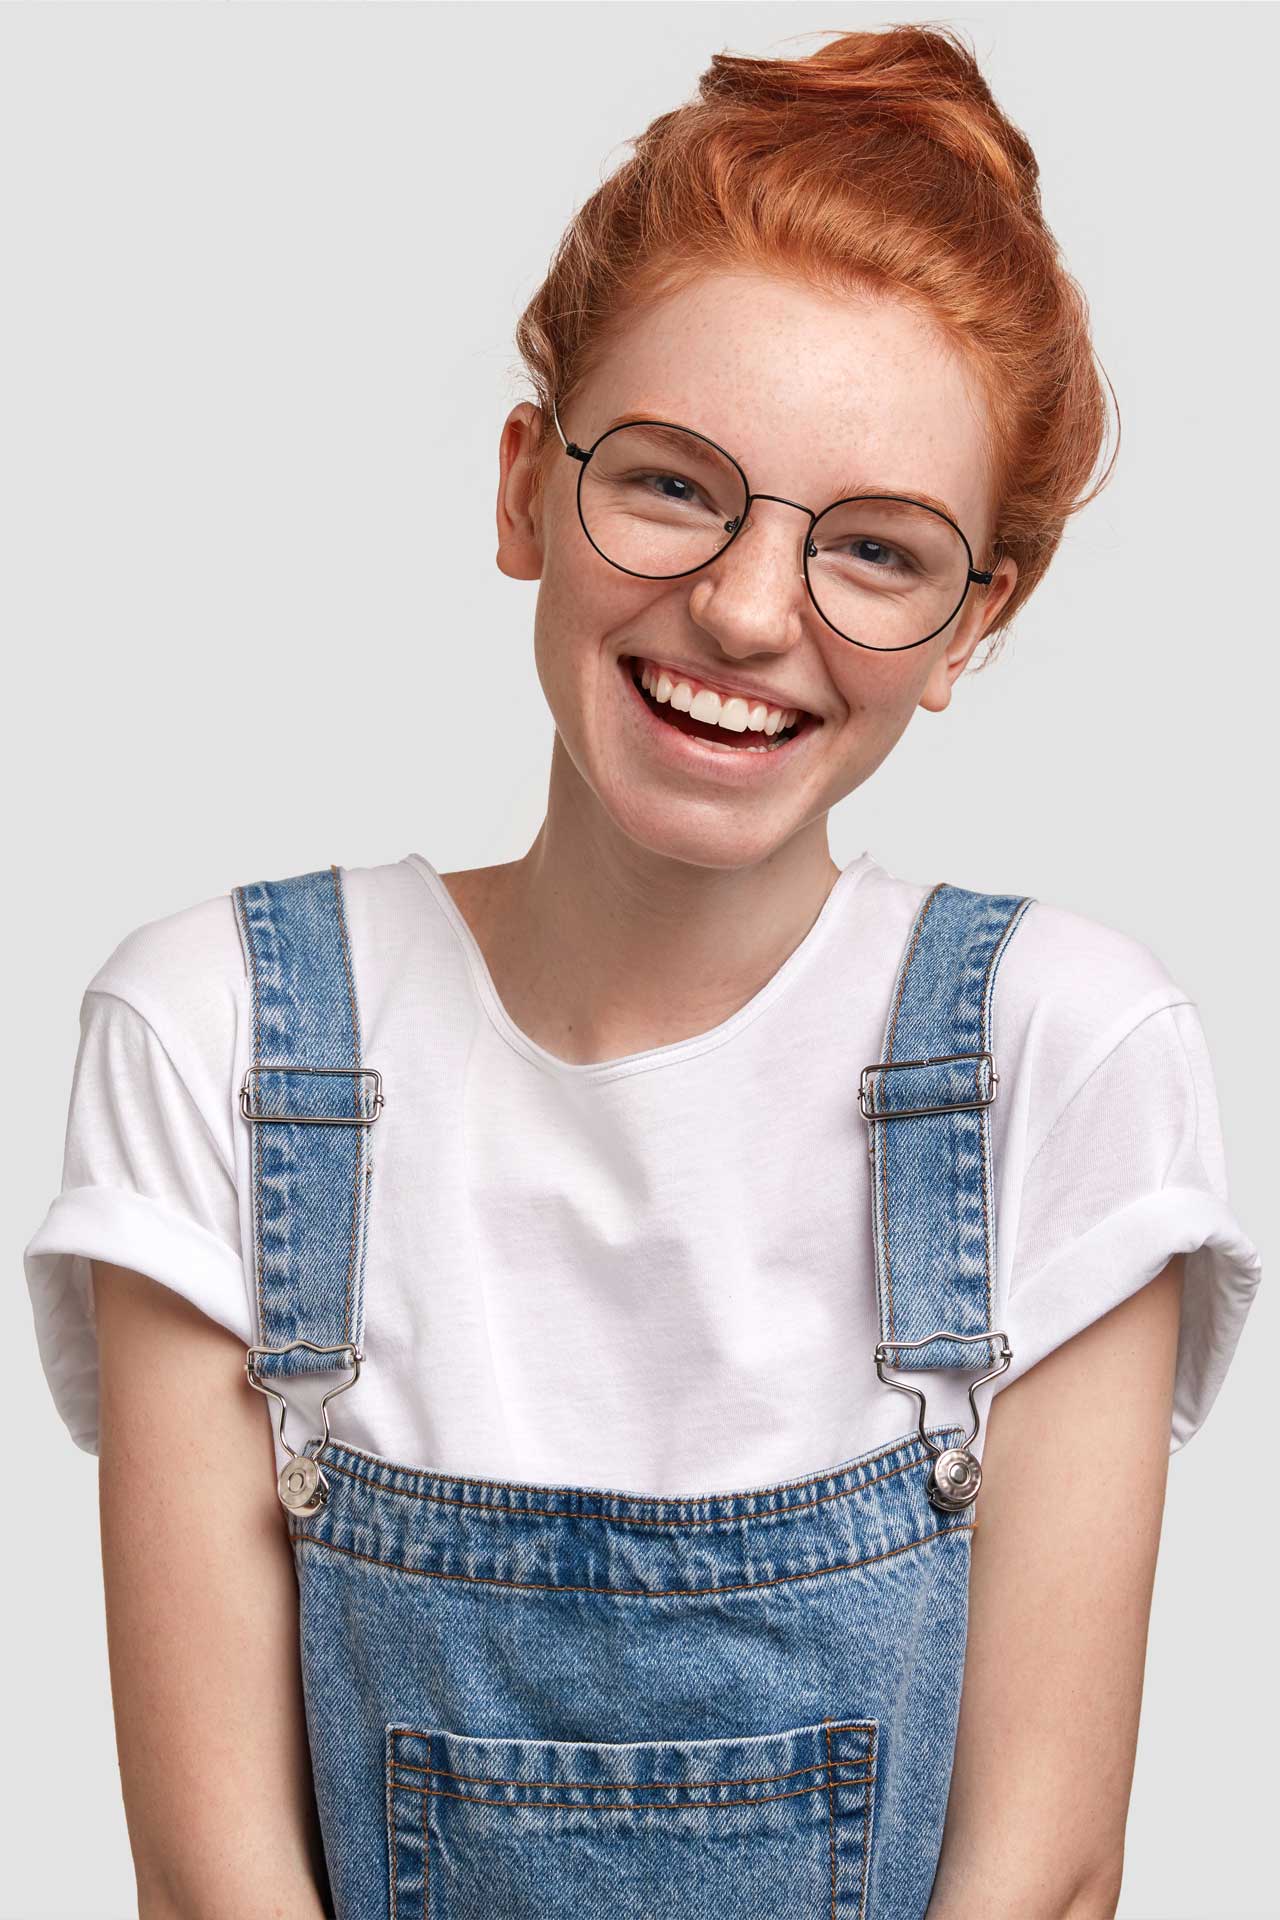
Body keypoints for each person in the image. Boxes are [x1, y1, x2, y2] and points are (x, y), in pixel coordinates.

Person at [23, 23, 1261, 1920]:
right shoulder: (225, 1044)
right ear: (525, 486)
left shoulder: (1062, 1058)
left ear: (966, 628)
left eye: (876, 549)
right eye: (675, 487)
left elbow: (1048, 1874)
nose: (754, 613)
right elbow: (215, 1889)